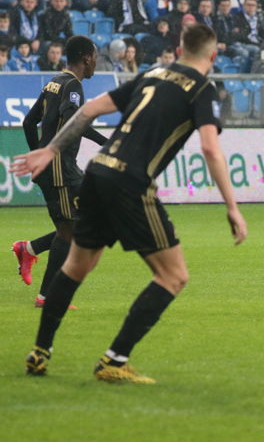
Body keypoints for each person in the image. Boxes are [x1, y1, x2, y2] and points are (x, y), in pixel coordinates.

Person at [13, 24, 247, 383]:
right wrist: (232, 206)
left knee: (77, 265)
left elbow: (90, 108)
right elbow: (211, 147)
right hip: (131, 183)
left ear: (180, 48)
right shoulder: (202, 88)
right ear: (213, 57)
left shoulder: (151, 73)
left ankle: (40, 352)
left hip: (97, 172)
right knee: (173, 275)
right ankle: (113, 361)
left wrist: (50, 148)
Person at [13, 36, 107, 307]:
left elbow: (29, 121)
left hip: (55, 167)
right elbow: (74, 121)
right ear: (87, 58)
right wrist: (106, 142)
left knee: (76, 226)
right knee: (75, 230)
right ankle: (47, 296)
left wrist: (36, 155)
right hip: (60, 170)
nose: (96, 63)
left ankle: (28, 250)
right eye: (95, 57)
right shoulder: (73, 86)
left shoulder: (54, 81)